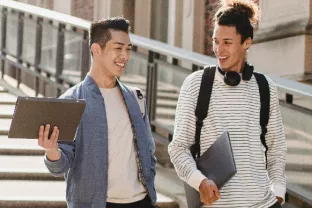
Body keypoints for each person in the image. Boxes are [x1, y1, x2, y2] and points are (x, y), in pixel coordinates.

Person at [168, 0, 287, 207]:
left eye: (227, 42)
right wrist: (200, 181)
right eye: (216, 41)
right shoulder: (197, 84)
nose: (219, 49)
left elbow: (276, 149)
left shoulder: (264, 87)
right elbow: (178, 148)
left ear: (246, 43)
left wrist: (278, 192)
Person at [38, 17, 157, 208]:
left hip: (141, 201)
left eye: (128, 49)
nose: (125, 55)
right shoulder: (72, 101)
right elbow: (59, 166)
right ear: (96, 49)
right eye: (118, 48)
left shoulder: (136, 98)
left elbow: (148, 151)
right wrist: (51, 149)